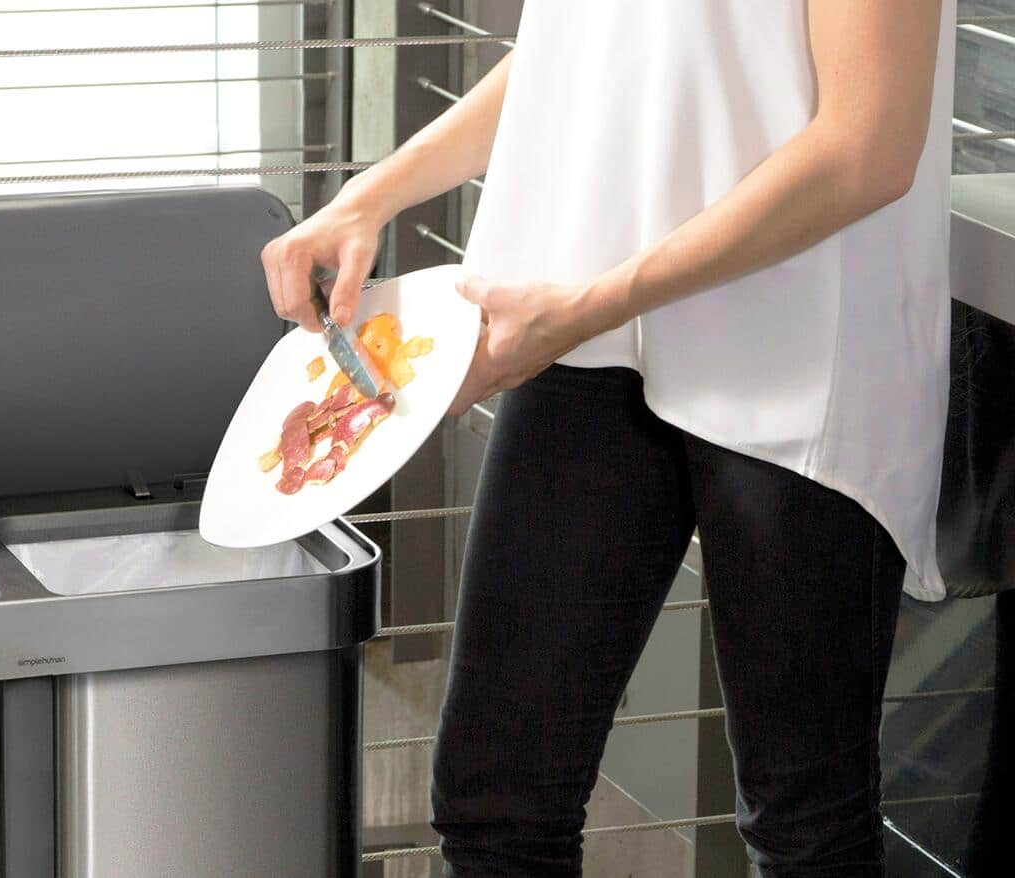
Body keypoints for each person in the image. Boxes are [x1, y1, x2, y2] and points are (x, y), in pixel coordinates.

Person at [261, 2, 954, 876]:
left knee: (804, 824)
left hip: (801, 349)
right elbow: (578, 54)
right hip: (590, 333)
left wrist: (587, 306)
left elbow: (869, 147)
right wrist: (376, 191)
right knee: (497, 802)